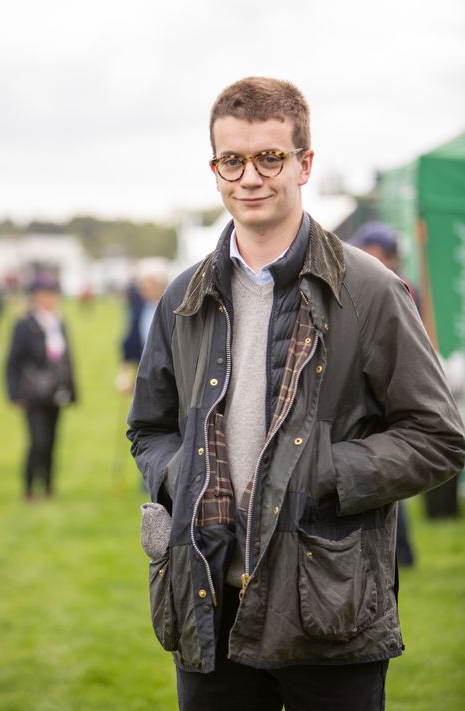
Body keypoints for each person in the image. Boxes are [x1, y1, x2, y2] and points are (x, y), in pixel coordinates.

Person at [127, 77, 465, 711]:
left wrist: (324, 470)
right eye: (232, 159)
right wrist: (184, 477)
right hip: (209, 603)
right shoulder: (182, 298)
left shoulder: (370, 292)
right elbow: (147, 427)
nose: (249, 177)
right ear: (215, 168)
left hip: (328, 612)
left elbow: (438, 437)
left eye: (269, 157)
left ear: (305, 164)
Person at [350, 221, 417, 566]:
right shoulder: (369, 281)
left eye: (370, 249)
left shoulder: (395, 286)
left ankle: (400, 554)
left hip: (388, 394)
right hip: (370, 391)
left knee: (387, 480)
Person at [6, 274, 77, 500]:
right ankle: (29, 487)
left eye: (53, 293)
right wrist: (15, 393)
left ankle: (47, 485)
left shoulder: (59, 322)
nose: (50, 298)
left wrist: (72, 389)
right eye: (45, 294)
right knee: (38, 440)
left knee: (53, 441)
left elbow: (67, 359)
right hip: (33, 393)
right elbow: (13, 362)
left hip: (56, 392)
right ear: (36, 297)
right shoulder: (24, 325)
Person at [116, 258, 170, 395]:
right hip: (146, 369)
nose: (142, 290)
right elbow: (131, 339)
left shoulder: (172, 306)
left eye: (146, 285)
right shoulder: (140, 306)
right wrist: (125, 373)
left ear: (159, 284)